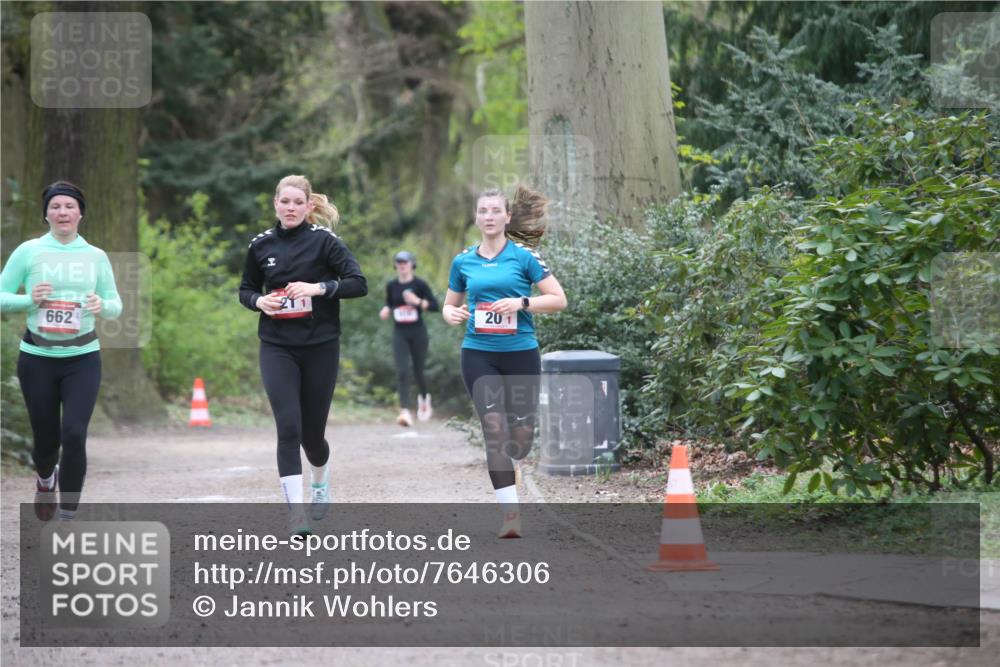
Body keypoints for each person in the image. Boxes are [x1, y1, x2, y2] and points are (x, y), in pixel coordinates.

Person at [239, 175, 367, 535]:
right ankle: (296, 514)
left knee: (312, 437)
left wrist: (318, 288)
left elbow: (358, 284)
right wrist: (259, 301)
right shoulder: (261, 245)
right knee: (288, 428)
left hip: (320, 346)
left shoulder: (325, 242)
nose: (291, 208)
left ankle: (320, 478)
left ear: (309, 206)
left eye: (298, 202)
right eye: (285, 201)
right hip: (277, 345)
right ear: (275, 204)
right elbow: (246, 288)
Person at [442, 186, 567, 538]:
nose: (489, 216)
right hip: (478, 353)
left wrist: (521, 303)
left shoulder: (524, 257)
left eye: (496, 210)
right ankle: (510, 515)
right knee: (495, 430)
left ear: (507, 217)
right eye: (483, 211)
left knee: (520, 440)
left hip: (520, 353)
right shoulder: (463, 261)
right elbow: (449, 304)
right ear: (476, 217)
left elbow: (558, 299)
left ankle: (516, 461)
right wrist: (452, 314)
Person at [0, 181, 122, 522]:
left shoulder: (95, 256)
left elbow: (115, 304)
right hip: (37, 358)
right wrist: (29, 299)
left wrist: (102, 305)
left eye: (69, 206)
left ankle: (68, 517)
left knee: (74, 433)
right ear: (46, 214)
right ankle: (44, 480)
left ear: (80, 213)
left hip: (83, 358)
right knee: (46, 440)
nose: (62, 212)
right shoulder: (29, 251)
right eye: (55, 207)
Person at [379, 250, 439, 426]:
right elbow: (390, 302)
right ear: (395, 265)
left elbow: (435, 306)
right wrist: (386, 309)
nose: (402, 265)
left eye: (405, 262)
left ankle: (424, 399)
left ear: (412, 264)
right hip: (400, 332)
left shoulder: (420, 284)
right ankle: (405, 411)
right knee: (402, 371)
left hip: (418, 332)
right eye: (399, 262)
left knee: (419, 370)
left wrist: (417, 301)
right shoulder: (392, 285)